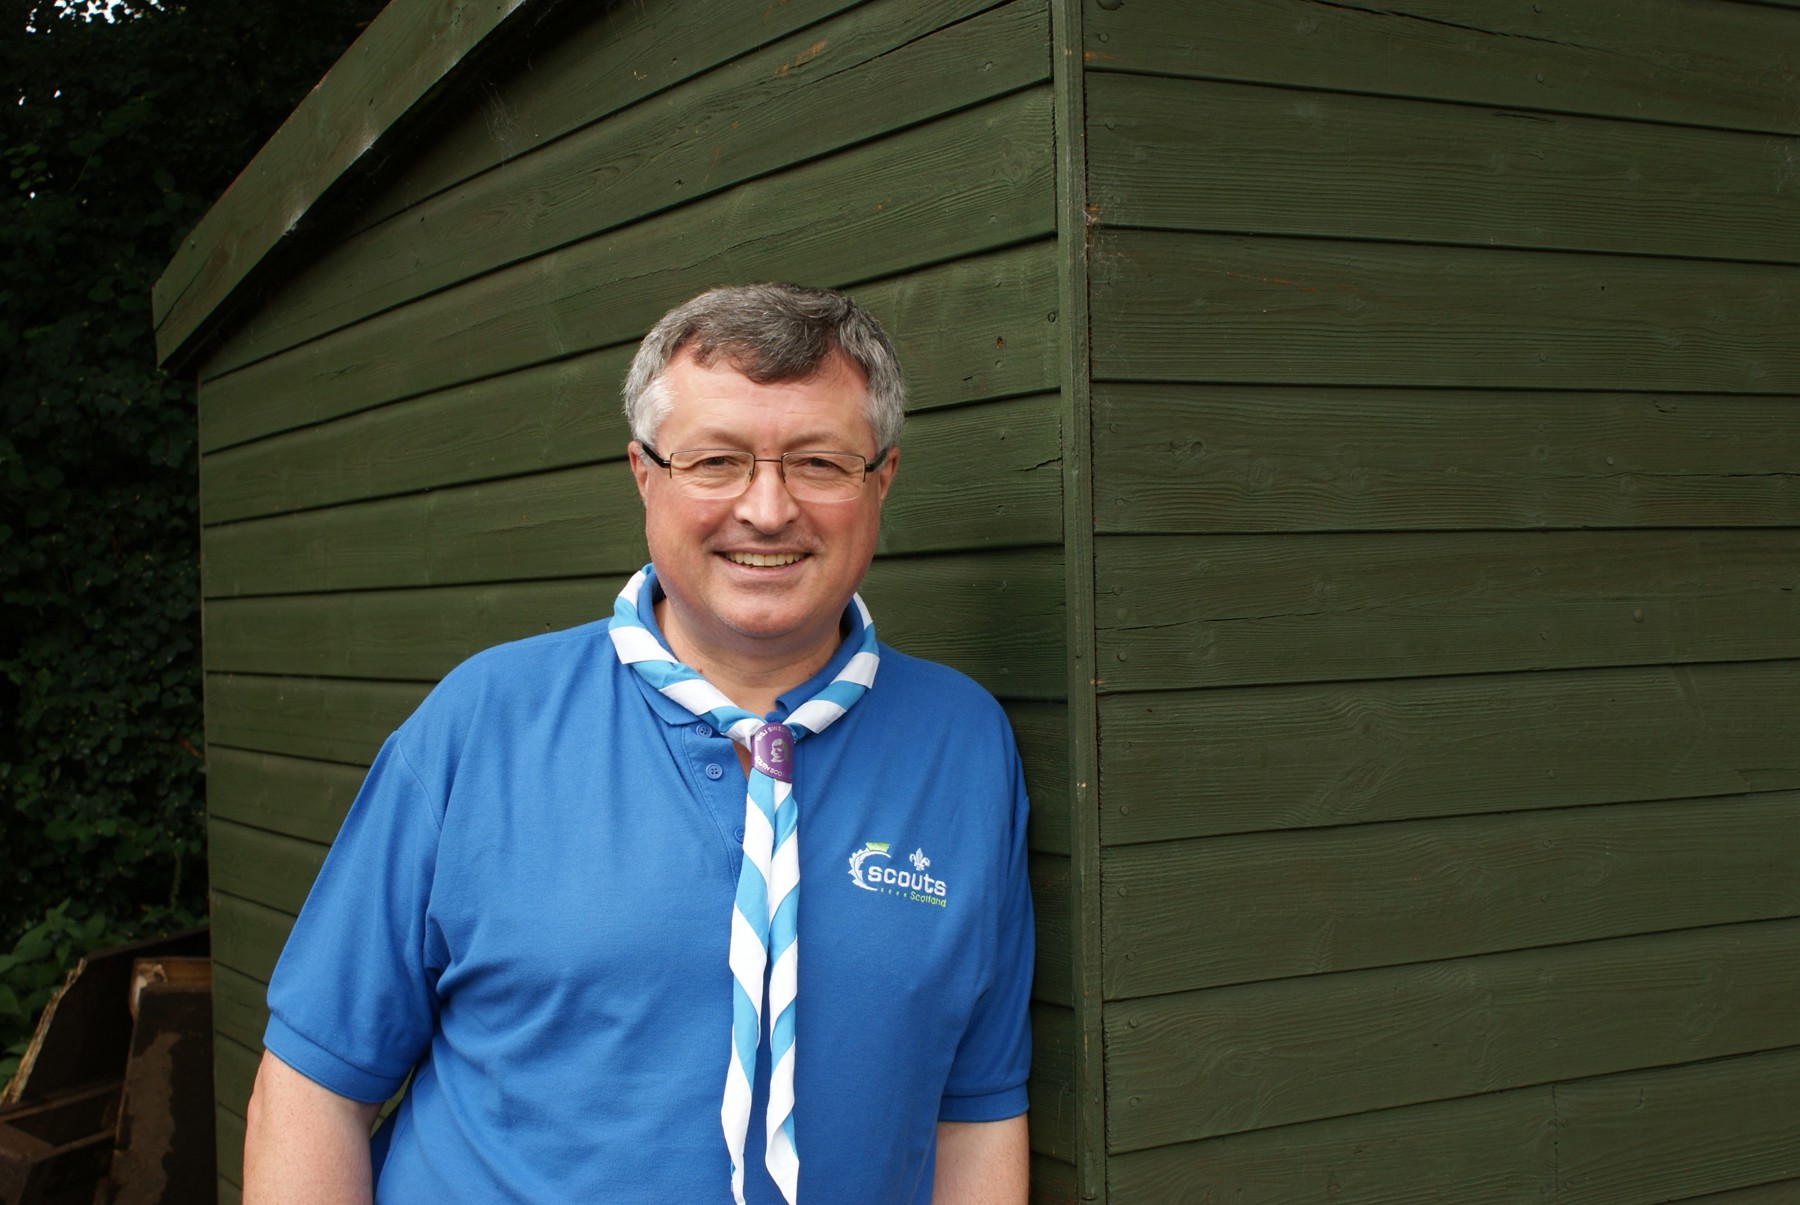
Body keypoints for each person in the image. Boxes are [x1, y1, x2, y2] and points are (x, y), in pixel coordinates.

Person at [242, 283, 1035, 1203]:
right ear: (644, 474)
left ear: (881, 481)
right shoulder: (482, 723)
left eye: (819, 462)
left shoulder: (964, 745)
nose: (769, 509)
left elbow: (974, 1112)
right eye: (716, 461)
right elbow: (310, 1089)